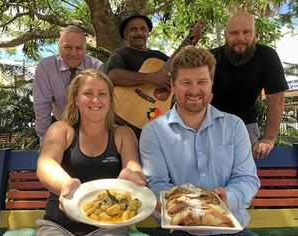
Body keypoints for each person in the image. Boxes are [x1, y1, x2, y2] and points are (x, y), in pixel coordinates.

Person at [140, 46, 260, 236]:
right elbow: (157, 184)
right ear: (172, 84)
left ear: (212, 83)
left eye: (202, 81)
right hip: (178, 230)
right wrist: (191, 209)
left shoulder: (235, 126)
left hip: (231, 228)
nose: (194, 90)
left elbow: (247, 178)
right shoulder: (153, 132)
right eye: (186, 82)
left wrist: (228, 198)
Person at [36, 69, 146, 236]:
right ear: (76, 98)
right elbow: (46, 164)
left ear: (110, 100)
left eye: (102, 94)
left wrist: (133, 176)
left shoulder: (123, 134)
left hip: (109, 226)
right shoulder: (61, 129)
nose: (96, 100)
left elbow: (133, 166)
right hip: (58, 225)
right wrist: (65, 184)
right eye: (88, 93)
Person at [210, 11, 288, 159]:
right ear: (226, 35)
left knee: (245, 174)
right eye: (234, 33)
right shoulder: (212, 58)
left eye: (246, 32)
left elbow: (276, 101)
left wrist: (268, 139)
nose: (240, 38)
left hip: (247, 126)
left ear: (254, 33)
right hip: (212, 125)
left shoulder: (267, 56)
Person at [33, 25, 103, 144]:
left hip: (92, 127)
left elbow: (103, 105)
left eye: (79, 48)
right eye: (67, 47)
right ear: (59, 48)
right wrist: (44, 140)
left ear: (85, 49)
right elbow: (42, 107)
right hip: (59, 124)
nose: (73, 53)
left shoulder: (97, 67)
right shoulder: (45, 67)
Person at [107, 13, 170, 137]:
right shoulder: (120, 53)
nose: (139, 33)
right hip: (120, 119)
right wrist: (151, 78)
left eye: (143, 29)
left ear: (148, 33)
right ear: (125, 35)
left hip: (151, 121)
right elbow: (114, 76)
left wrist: (191, 42)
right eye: (133, 29)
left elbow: (179, 68)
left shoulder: (159, 56)